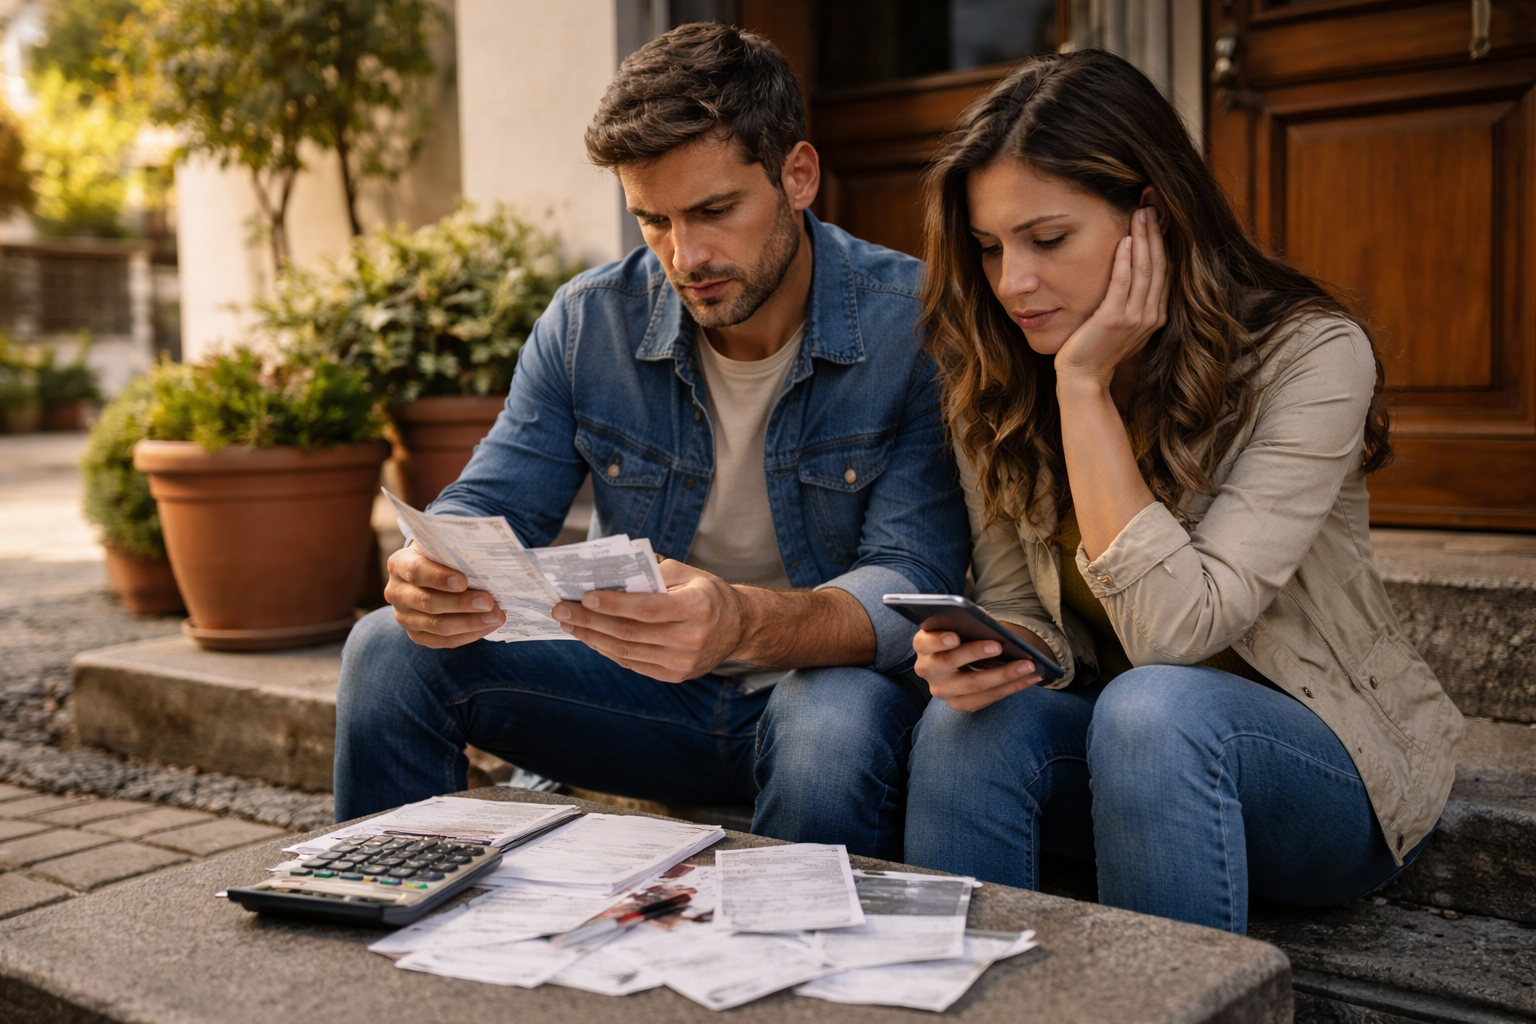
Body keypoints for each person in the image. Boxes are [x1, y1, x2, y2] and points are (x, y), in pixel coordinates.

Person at [333, 23, 969, 860]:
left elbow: (911, 576)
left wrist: (739, 621)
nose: (686, 255)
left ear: (799, 175)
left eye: (714, 210)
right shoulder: (589, 321)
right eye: (653, 220)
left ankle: (790, 974)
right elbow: (493, 504)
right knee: (386, 648)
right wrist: (434, 568)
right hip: (637, 692)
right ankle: (380, 934)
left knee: (834, 721)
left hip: (820, 704)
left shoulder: (915, 323)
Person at [901, 50, 1464, 933]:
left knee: (1153, 706)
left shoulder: (1311, 358)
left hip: (1319, 775)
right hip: (1119, 763)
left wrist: (1084, 388)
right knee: (967, 728)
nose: (1012, 282)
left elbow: (1173, 634)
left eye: (1047, 240)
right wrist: (993, 651)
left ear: (1149, 222)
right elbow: (1025, 606)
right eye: (990, 248)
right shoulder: (997, 375)